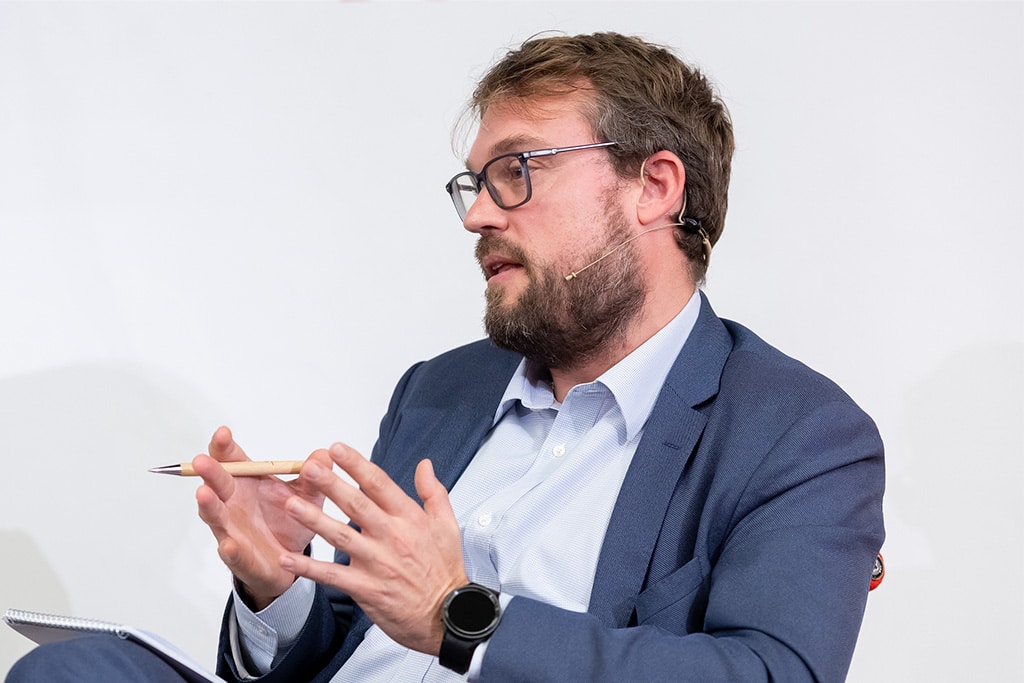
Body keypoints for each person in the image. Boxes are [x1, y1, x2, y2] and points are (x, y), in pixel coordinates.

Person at [8, 31, 885, 682]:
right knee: (74, 672)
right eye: (475, 183)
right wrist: (280, 586)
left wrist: (461, 615)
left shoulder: (798, 433)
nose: (478, 216)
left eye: (518, 171)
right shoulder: (442, 390)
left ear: (655, 186)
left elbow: (774, 674)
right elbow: (343, 640)